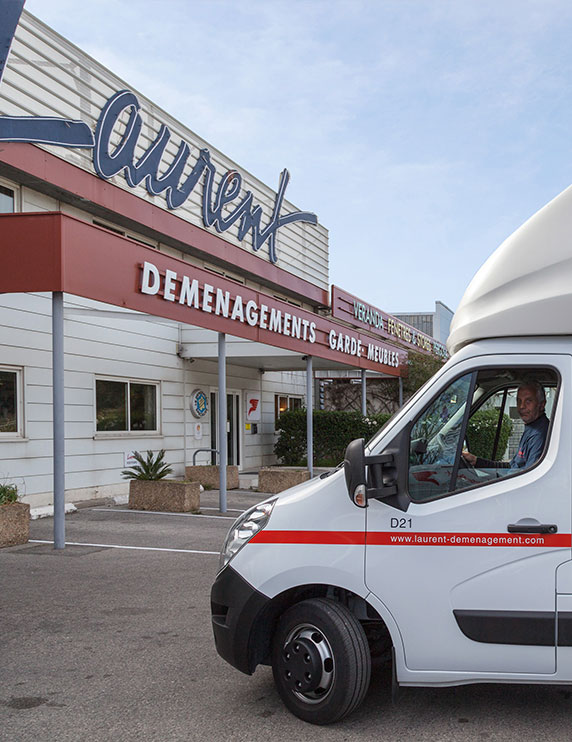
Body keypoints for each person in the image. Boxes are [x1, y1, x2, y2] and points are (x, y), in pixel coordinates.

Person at [462, 381, 549, 471]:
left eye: (528, 401)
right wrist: (476, 461)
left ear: (542, 405)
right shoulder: (531, 428)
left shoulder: (539, 435)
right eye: (519, 401)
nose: (521, 406)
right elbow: (511, 467)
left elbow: (530, 478)